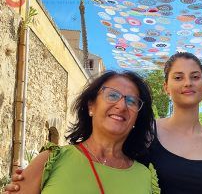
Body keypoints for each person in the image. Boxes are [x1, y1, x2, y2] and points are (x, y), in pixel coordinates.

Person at [3, 71, 158, 193]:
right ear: (91, 106)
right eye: (112, 95)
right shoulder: (51, 160)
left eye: (131, 101)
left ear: (137, 118)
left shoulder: (144, 176)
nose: (122, 106)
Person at [146, 52, 202, 194]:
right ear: (166, 87)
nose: (188, 83)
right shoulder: (147, 132)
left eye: (195, 77)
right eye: (178, 77)